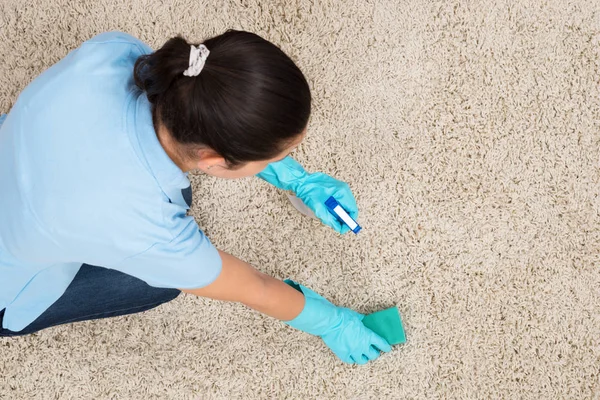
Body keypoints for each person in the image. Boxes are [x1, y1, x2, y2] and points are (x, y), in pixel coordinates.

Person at [0, 30, 391, 365]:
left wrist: (296, 179)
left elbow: (200, 110)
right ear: (214, 161)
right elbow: (254, 287)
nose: (282, 162)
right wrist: (333, 323)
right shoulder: (153, 232)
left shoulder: (114, 51)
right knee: (162, 283)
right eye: (274, 158)